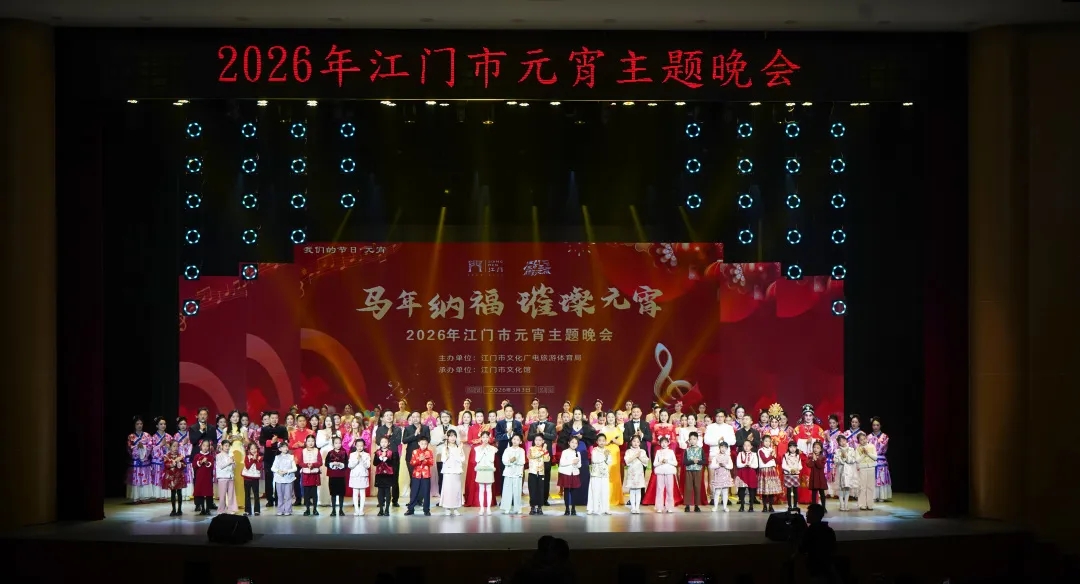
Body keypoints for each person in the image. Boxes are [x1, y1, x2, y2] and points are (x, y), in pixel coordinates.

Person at [558, 407, 596, 507]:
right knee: (571, 476)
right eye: (575, 414)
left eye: (579, 414)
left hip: (583, 454)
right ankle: (571, 500)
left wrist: (582, 437)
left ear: (582, 415)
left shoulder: (587, 426)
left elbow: (592, 438)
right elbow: (561, 439)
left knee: (583, 476)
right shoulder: (568, 426)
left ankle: (583, 500)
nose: (577, 416)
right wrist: (571, 441)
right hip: (571, 454)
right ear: (573, 415)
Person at [798, 503, 838, 584]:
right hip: (828, 566)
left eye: (808, 513)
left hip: (816, 568)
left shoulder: (810, 531)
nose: (806, 516)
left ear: (814, 515)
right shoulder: (829, 530)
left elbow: (802, 549)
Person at [704, 410, 737, 505]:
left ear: (724, 417)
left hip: (725, 455)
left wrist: (723, 441)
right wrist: (718, 441)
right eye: (718, 416)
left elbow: (733, 441)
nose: (720, 418)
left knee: (725, 476)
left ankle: (724, 498)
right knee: (713, 476)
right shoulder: (710, 427)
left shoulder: (729, 427)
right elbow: (706, 440)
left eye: (722, 416)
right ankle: (713, 497)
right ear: (715, 417)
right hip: (714, 454)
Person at [526, 406, 556, 506]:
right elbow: (529, 437)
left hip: (546, 455)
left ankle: (544, 499)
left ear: (547, 414)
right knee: (534, 478)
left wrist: (543, 433)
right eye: (539, 412)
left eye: (543, 412)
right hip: (535, 456)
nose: (541, 414)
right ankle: (535, 499)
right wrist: (537, 433)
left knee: (546, 477)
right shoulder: (533, 425)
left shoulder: (552, 425)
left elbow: (553, 437)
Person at [373, 410, 403, 507]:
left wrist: (391, 435)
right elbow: (378, 441)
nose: (389, 417)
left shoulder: (397, 429)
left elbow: (398, 442)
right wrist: (387, 435)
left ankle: (395, 500)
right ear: (383, 418)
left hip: (393, 455)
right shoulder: (380, 429)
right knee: (382, 477)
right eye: (387, 415)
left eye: (391, 415)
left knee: (395, 477)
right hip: (382, 455)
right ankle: (381, 500)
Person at [259, 411, 288, 507]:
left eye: (276, 418)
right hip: (268, 457)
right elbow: (261, 441)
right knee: (268, 479)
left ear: (278, 418)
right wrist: (271, 442)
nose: (274, 420)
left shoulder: (282, 428)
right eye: (272, 418)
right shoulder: (265, 429)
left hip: (280, 456)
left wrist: (278, 441)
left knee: (280, 478)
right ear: (269, 418)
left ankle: (279, 498)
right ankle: (270, 499)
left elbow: (286, 440)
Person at [599, 411, 624, 508]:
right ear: (606, 418)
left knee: (615, 474)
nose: (610, 419)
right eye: (609, 417)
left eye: (612, 417)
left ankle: (615, 498)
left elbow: (621, 442)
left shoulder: (618, 429)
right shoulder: (603, 429)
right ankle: (605, 498)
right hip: (606, 452)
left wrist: (614, 441)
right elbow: (600, 441)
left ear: (615, 418)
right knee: (606, 473)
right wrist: (607, 442)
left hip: (615, 452)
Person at [126, 416, 153, 503]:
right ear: (134, 425)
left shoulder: (147, 435)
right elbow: (129, 448)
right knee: (136, 479)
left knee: (145, 478)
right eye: (137, 424)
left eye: (141, 424)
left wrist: (144, 447)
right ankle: (136, 497)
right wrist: (137, 447)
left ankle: (144, 497)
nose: (139, 425)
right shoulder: (131, 436)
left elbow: (150, 447)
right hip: (135, 462)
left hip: (145, 461)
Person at [288, 414, 314, 506]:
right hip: (297, 459)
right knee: (296, 479)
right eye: (300, 421)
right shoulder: (293, 433)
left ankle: (308, 499)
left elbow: (313, 444)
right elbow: (290, 445)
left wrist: (303, 444)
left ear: (306, 422)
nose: (302, 422)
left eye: (303, 421)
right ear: (297, 422)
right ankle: (298, 499)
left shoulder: (311, 432)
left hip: (308, 458)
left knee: (308, 479)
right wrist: (295, 445)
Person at [405, 435, 434, 516]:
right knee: (414, 492)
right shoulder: (415, 452)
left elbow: (431, 463)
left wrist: (424, 460)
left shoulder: (429, 452)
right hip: (416, 475)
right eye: (422, 443)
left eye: (425, 444)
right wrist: (419, 460)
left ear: (427, 444)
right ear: (419, 443)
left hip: (426, 475)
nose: (424, 445)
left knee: (426, 493)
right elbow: (412, 462)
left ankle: (426, 510)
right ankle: (411, 509)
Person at [440, 429, 466, 515]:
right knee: (448, 489)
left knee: (456, 489)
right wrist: (447, 454)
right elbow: (443, 459)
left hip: (456, 470)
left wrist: (460, 450)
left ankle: (455, 508)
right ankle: (447, 508)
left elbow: (462, 459)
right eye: (451, 436)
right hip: (448, 471)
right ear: (447, 437)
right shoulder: (444, 448)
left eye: (454, 436)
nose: (453, 438)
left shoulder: (458, 447)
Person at [473, 430, 498, 515]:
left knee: (488, 489)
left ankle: (488, 508)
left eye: (487, 437)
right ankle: (482, 508)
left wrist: (486, 450)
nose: (485, 439)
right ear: (480, 438)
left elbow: (491, 459)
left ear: (489, 438)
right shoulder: (477, 449)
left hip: (489, 469)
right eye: (483, 437)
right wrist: (482, 450)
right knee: (481, 489)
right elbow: (477, 459)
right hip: (480, 469)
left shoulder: (493, 449)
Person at [868, 417, 892, 502]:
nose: (875, 427)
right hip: (871, 459)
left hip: (881, 459)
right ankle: (873, 496)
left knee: (881, 477)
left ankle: (882, 496)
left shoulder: (884, 436)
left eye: (877, 425)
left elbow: (883, 449)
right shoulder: (868, 437)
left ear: (880, 426)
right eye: (874, 425)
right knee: (872, 478)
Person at [586, 433, 611, 515]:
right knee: (595, 491)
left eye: (603, 440)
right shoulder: (594, 450)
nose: (602, 442)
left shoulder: (607, 451)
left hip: (604, 474)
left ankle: (605, 508)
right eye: (600, 440)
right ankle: (593, 508)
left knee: (604, 491)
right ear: (597, 442)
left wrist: (607, 456)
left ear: (605, 441)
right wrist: (604, 456)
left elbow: (609, 461)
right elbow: (595, 460)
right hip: (596, 474)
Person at [623, 435, 649, 514]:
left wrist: (639, 457)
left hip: (639, 473)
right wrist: (635, 456)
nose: (635, 443)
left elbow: (646, 461)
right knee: (632, 490)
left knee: (638, 490)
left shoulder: (642, 451)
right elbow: (627, 461)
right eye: (634, 441)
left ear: (640, 443)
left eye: (637, 442)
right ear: (631, 442)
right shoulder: (628, 451)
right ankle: (633, 507)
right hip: (632, 473)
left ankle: (637, 507)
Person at [373, 435, 398, 516]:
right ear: (380, 443)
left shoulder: (391, 452)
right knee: (380, 492)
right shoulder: (377, 452)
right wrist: (380, 458)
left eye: (385, 442)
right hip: (380, 474)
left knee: (387, 492)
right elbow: (375, 463)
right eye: (382, 442)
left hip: (388, 474)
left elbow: (393, 464)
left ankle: (387, 509)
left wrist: (386, 459)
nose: (383, 444)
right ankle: (381, 510)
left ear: (388, 443)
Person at [501, 433, 526, 515]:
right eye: (514, 439)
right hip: (508, 473)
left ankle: (518, 508)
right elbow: (504, 461)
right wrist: (510, 461)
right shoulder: (507, 450)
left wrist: (515, 461)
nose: (515, 441)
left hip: (517, 473)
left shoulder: (521, 451)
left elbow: (522, 461)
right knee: (507, 490)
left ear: (520, 442)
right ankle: (506, 507)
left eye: (517, 440)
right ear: (511, 440)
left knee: (517, 491)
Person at [652, 435, 678, 513]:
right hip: (660, 472)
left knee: (669, 489)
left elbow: (675, 463)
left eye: (665, 442)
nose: (664, 444)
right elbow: (654, 463)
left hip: (669, 472)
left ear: (668, 443)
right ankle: (659, 507)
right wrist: (660, 462)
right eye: (662, 442)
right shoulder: (658, 452)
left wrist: (668, 461)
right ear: (659, 443)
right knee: (660, 489)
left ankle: (669, 507)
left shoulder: (671, 452)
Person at [161, 440, 187, 516]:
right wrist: (175, 461)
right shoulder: (167, 456)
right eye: (174, 446)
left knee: (179, 493)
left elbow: (184, 465)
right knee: (173, 493)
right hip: (171, 478)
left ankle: (179, 509)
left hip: (179, 477)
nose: (175, 448)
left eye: (177, 446)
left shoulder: (180, 455)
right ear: (170, 447)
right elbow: (167, 465)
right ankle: (173, 510)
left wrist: (179, 462)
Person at [557, 436, 582, 515]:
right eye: (572, 442)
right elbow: (562, 463)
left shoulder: (578, 453)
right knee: (566, 491)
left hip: (574, 474)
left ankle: (573, 508)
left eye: (576, 443)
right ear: (569, 443)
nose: (574, 444)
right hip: (566, 474)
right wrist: (572, 461)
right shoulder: (565, 452)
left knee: (574, 492)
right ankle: (567, 509)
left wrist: (576, 463)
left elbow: (579, 465)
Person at [299, 434, 323, 516]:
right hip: (306, 475)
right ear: (306, 442)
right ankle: (307, 509)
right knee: (306, 493)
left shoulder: (317, 450)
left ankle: (315, 509)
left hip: (314, 474)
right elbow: (300, 462)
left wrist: (313, 465)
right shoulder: (303, 451)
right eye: (309, 441)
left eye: (312, 441)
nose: (311, 443)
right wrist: (307, 465)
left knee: (314, 493)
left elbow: (320, 462)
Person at [326, 435, 350, 516]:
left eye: (339, 443)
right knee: (333, 493)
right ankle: (333, 510)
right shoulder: (330, 453)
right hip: (332, 476)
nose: (338, 445)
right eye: (336, 443)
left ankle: (341, 510)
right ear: (333, 444)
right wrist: (332, 464)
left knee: (341, 493)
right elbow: (326, 463)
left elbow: (346, 464)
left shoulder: (344, 453)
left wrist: (340, 464)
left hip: (341, 476)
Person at [271, 440, 297, 516]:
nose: (285, 448)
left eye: (286, 447)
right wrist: (278, 471)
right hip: (279, 479)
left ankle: (288, 510)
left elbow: (295, 468)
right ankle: (280, 510)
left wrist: (287, 471)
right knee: (280, 495)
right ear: (280, 449)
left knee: (288, 495)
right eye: (283, 447)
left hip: (288, 479)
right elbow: (273, 468)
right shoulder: (277, 457)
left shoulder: (291, 457)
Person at [527, 433, 550, 515]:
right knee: (532, 490)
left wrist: (545, 451)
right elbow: (533, 456)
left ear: (543, 441)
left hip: (541, 473)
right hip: (532, 472)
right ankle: (532, 507)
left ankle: (540, 507)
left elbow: (547, 459)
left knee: (540, 490)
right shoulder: (531, 449)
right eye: (536, 440)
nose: (538, 442)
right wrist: (543, 450)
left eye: (540, 440)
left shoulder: (544, 449)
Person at [757, 435, 782, 512]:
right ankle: (764, 506)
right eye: (766, 441)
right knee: (764, 490)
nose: (767, 443)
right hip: (764, 470)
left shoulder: (772, 450)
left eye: (769, 441)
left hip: (772, 470)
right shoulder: (760, 450)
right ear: (762, 442)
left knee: (771, 490)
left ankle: (771, 506)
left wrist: (775, 456)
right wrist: (772, 456)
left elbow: (778, 462)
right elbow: (765, 460)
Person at [834, 434, 858, 511]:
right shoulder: (837, 451)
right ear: (838, 443)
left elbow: (853, 460)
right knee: (841, 488)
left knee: (847, 487)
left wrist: (846, 456)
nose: (843, 442)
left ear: (846, 440)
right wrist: (842, 458)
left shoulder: (851, 449)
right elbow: (836, 461)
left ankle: (846, 505)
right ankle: (841, 505)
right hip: (841, 471)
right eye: (840, 441)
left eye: (844, 440)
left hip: (849, 471)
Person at [682, 431, 705, 512]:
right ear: (689, 440)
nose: (692, 441)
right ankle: (687, 505)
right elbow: (685, 462)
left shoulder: (700, 450)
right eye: (691, 439)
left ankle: (697, 505)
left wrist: (698, 462)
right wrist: (692, 461)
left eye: (694, 439)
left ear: (697, 440)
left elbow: (704, 461)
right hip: (689, 470)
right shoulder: (687, 450)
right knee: (688, 488)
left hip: (698, 470)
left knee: (697, 487)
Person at [709, 441, 734, 512]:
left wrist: (725, 465)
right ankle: (715, 507)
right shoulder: (716, 456)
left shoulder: (728, 457)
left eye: (725, 448)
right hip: (718, 477)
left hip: (726, 476)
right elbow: (712, 466)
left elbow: (731, 466)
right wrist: (718, 465)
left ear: (727, 449)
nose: (723, 449)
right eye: (722, 447)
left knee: (725, 492)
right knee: (717, 492)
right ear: (719, 448)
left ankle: (725, 507)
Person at [348, 438, 371, 516]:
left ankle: (361, 510)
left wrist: (362, 459)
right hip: (354, 476)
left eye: (361, 446)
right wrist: (357, 460)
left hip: (363, 476)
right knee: (355, 493)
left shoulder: (367, 455)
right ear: (355, 446)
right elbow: (350, 466)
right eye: (358, 446)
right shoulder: (352, 454)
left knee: (362, 494)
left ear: (364, 446)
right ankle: (356, 510)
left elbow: (367, 466)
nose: (360, 447)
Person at [215, 440, 239, 514]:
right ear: (222, 446)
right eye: (226, 446)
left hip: (230, 477)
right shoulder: (219, 455)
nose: (227, 447)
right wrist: (229, 462)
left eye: (228, 446)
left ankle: (231, 509)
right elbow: (221, 466)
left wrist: (233, 462)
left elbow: (234, 467)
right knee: (222, 495)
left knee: (231, 495)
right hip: (222, 477)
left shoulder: (230, 455)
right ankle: (221, 510)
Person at [192, 439, 215, 515]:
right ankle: (202, 509)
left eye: (207, 446)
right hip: (199, 478)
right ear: (201, 446)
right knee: (200, 493)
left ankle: (208, 509)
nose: (205, 447)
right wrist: (201, 462)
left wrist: (207, 462)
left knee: (208, 493)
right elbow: (194, 465)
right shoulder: (197, 456)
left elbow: (211, 466)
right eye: (204, 445)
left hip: (207, 478)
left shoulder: (210, 456)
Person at [735, 440, 759, 512]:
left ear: (751, 447)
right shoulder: (740, 454)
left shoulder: (754, 454)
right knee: (742, 490)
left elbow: (756, 465)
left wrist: (750, 465)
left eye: (748, 445)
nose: (746, 447)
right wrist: (744, 464)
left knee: (751, 489)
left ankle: (751, 506)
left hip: (751, 473)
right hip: (742, 473)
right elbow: (738, 464)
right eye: (745, 445)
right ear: (743, 446)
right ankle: (742, 505)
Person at [855, 432, 877, 510]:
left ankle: (870, 504)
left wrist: (868, 453)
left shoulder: (872, 446)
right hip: (863, 468)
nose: (863, 441)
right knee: (862, 487)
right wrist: (863, 454)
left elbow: (875, 458)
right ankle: (862, 504)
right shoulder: (858, 448)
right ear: (859, 441)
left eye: (864, 439)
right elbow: (857, 460)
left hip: (871, 467)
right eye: (861, 440)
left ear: (866, 438)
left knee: (870, 486)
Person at [823, 414, 843, 498]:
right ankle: (827, 492)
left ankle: (836, 492)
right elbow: (823, 446)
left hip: (835, 456)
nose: (832, 425)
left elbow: (839, 446)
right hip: (827, 456)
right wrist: (826, 442)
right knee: (827, 473)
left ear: (837, 423)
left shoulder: (840, 434)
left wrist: (830, 440)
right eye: (830, 423)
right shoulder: (826, 432)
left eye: (834, 423)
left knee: (835, 474)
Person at [241, 442, 263, 516]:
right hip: (247, 478)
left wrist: (256, 459)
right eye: (252, 449)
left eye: (255, 448)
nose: (254, 450)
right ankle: (247, 511)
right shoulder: (247, 457)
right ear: (249, 450)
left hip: (255, 479)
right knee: (247, 495)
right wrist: (252, 459)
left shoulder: (260, 457)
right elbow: (247, 466)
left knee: (256, 495)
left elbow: (259, 467)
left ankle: (257, 510)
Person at [782, 440, 803, 511]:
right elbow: (783, 465)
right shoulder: (785, 455)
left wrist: (797, 469)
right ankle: (789, 505)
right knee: (788, 491)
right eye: (791, 447)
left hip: (795, 475)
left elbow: (800, 466)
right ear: (788, 448)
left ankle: (795, 505)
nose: (792, 449)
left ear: (796, 448)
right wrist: (790, 470)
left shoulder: (798, 456)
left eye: (794, 447)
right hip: (788, 475)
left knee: (795, 491)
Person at [808, 441, 828, 510]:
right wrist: (813, 459)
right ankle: (813, 507)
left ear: (821, 449)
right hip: (814, 477)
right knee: (814, 493)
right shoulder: (810, 456)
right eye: (814, 447)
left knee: (822, 493)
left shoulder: (823, 457)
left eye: (818, 448)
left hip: (820, 478)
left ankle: (823, 507)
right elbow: (809, 465)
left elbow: (820, 466)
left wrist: (816, 459)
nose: (815, 449)